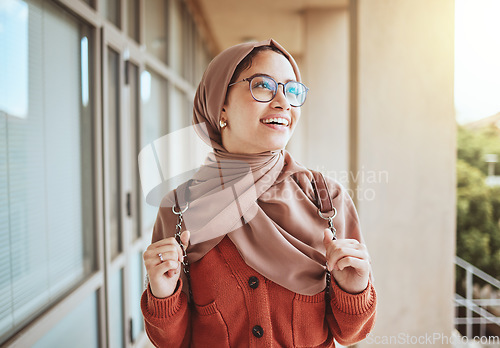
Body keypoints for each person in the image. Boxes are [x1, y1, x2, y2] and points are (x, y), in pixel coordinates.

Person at [141, 38, 376, 347]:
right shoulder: (180, 208)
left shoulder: (326, 200)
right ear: (220, 104)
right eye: (263, 86)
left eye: (292, 90)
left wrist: (355, 289)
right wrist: (162, 293)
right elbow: (170, 341)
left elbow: (350, 334)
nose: (283, 102)